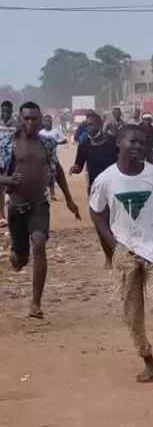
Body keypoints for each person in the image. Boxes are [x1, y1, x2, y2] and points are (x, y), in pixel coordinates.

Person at [89, 124, 153, 383]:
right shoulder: (105, 180)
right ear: (119, 143)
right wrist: (112, 242)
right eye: (132, 142)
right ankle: (148, 361)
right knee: (132, 313)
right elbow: (96, 211)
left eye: (142, 143)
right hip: (124, 251)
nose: (137, 147)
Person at [0, 101, 81, 319]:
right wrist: (7, 178)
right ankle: (16, 256)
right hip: (16, 206)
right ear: (19, 118)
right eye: (26, 118)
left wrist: (69, 200)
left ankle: (35, 303)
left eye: (34, 118)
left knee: (39, 244)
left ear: (40, 118)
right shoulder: (7, 143)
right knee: (21, 260)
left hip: (39, 204)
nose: (30, 122)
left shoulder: (47, 143)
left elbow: (58, 171)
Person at [70, 111, 119, 267]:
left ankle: (122, 253)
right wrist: (75, 168)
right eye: (86, 125)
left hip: (116, 187)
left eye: (91, 124)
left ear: (99, 124)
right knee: (100, 225)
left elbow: (122, 160)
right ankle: (109, 256)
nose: (88, 127)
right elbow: (79, 164)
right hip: (95, 190)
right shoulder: (84, 145)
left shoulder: (112, 142)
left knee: (117, 223)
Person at [39, 115, 67, 200]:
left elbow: (65, 140)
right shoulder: (41, 132)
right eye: (46, 121)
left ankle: (52, 193)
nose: (48, 123)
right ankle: (42, 193)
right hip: (42, 157)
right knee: (42, 175)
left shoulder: (56, 131)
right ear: (43, 122)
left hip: (52, 157)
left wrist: (56, 142)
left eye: (49, 121)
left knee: (52, 175)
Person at [1, 101, 19, 228]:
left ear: (12, 111)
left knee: (12, 186)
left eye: (8, 111)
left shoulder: (16, 125)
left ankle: (14, 215)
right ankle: (2, 216)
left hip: (12, 158)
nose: (5, 113)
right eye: (4, 111)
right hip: (0, 158)